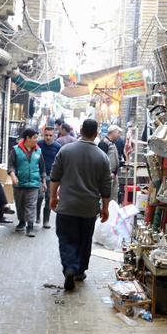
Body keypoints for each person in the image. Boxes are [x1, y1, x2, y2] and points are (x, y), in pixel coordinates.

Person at [49, 119, 112, 291]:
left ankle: (70, 267)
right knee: (84, 241)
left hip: (67, 206)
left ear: (81, 130)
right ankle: (79, 271)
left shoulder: (65, 150)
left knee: (67, 239)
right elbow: (106, 186)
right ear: (96, 133)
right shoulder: (102, 157)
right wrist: (105, 207)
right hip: (89, 208)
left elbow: (55, 177)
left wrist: (53, 197)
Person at [8, 127, 46, 237]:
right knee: (20, 204)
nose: (37, 140)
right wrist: (13, 176)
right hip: (19, 183)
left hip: (34, 183)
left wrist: (43, 182)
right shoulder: (16, 150)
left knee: (31, 205)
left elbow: (42, 167)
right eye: (35, 138)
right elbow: (11, 165)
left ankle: (30, 227)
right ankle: (21, 222)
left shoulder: (38, 150)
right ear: (28, 138)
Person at [35, 126, 61, 229]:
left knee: (49, 198)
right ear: (43, 135)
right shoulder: (38, 145)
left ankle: (46, 220)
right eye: (46, 135)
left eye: (50, 135)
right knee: (39, 196)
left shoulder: (58, 147)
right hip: (39, 175)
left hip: (52, 176)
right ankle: (37, 216)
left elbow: (60, 163)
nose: (48, 137)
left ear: (54, 135)